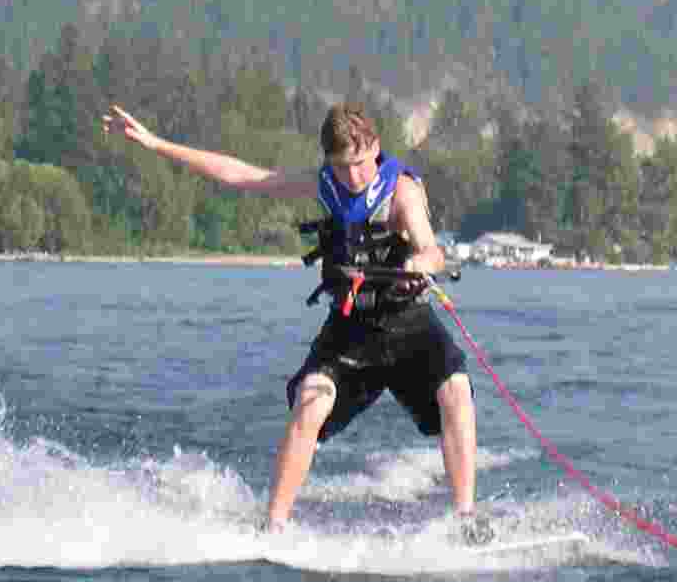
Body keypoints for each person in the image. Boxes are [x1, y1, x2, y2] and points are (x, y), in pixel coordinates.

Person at [101, 99, 481, 536]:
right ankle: (274, 526)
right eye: (341, 167)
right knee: (310, 401)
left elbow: (432, 250)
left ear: (375, 147)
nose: (353, 176)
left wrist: (420, 263)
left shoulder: (402, 192)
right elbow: (240, 174)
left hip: (409, 323)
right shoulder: (325, 187)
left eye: (359, 163)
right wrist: (153, 143)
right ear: (328, 162)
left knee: (455, 391)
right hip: (351, 329)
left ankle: (465, 521)